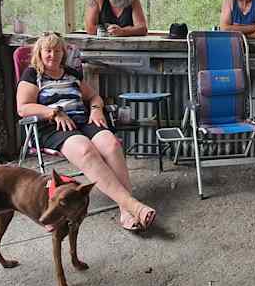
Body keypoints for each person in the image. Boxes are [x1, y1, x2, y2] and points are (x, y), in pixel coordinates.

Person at [16, 32, 156, 231]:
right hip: (53, 127)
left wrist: (96, 109)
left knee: (111, 144)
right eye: (48, 51)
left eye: (57, 51)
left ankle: (125, 210)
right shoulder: (32, 75)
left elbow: (94, 96)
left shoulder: (72, 73)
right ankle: (133, 206)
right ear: (39, 52)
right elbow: (23, 107)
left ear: (63, 54)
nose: (53, 55)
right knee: (85, 150)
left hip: (83, 121)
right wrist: (53, 113)